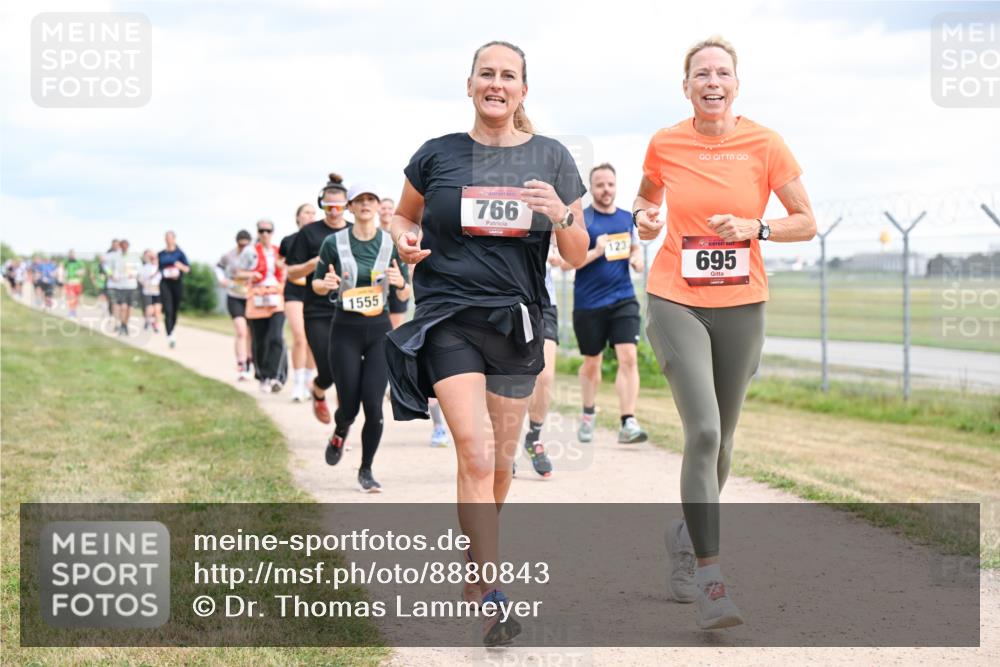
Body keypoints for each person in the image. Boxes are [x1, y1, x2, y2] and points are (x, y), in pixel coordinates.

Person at [387, 40, 589, 646]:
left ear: (524, 90)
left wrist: (560, 214)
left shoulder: (551, 158)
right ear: (469, 84)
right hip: (449, 316)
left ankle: (478, 557)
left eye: (509, 76)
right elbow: (403, 216)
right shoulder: (437, 155)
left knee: (500, 462)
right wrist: (403, 239)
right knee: (473, 451)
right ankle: (492, 587)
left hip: (517, 321)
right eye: (487, 74)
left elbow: (576, 254)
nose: (496, 83)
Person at [635, 36, 816, 630]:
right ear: (685, 86)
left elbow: (805, 222)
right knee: (705, 431)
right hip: (674, 296)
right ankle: (713, 582)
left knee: (726, 441)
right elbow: (645, 203)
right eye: (701, 74)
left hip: (743, 303)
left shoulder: (766, 143)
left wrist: (755, 227)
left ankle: (685, 538)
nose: (712, 82)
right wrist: (646, 217)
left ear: (737, 83)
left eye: (723, 73)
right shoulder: (665, 142)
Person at [313, 183, 410, 493]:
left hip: (378, 328)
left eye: (371, 199)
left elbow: (406, 291)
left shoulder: (389, 244)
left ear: (378, 206)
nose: (366, 204)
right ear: (350, 208)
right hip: (344, 329)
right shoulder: (333, 242)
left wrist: (398, 283)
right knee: (350, 406)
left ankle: (366, 470)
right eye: (360, 200)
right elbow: (316, 284)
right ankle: (341, 430)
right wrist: (325, 283)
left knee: (373, 404)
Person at [567, 163, 648, 445]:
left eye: (611, 184)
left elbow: (633, 246)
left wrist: (637, 258)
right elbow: (569, 263)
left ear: (616, 186)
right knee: (592, 363)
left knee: (629, 356)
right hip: (588, 304)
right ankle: (588, 413)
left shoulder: (627, 218)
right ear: (592, 188)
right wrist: (597, 250)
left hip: (623, 298)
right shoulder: (583, 221)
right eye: (600, 185)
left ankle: (628, 421)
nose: (606, 190)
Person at [383, 195, 449, 447]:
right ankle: (439, 426)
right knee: (434, 375)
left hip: (459, 309)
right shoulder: (407, 238)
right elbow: (408, 282)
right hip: (428, 309)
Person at [286, 173, 352, 423]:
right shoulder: (309, 233)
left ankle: (342, 427)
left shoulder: (354, 232)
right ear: (321, 205)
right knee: (328, 369)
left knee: (346, 370)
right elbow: (291, 272)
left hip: (350, 309)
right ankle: (318, 389)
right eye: (328, 207)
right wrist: (314, 264)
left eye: (339, 206)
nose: (334, 212)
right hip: (317, 311)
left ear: (347, 206)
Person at [516, 240, 562, 478]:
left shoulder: (545, 205)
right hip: (508, 299)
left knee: (545, 376)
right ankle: (505, 444)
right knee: (510, 379)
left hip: (545, 303)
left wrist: (557, 255)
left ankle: (533, 438)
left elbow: (568, 256)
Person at [238, 219, 287, 392]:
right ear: (258, 233)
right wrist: (252, 274)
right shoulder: (249, 252)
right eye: (262, 231)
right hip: (257, 297)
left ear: (273, 232)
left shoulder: (278, 251)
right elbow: (238, 273)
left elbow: (286, 270)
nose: (265, 234)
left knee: (276, 337)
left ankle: (276, 376)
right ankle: (263, 375)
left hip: (276, 297)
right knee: (260, 340)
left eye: (268, 230)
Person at [280, 204, 319, 402]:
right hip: (294, 292)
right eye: (306, 213)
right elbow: (280, 264)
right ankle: (296, 384)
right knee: (299, 337)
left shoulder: (321, 237)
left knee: (313, 340)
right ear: (298, 217)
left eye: (313, 213)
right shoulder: (288, 241)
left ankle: (308, 381)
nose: (310, 216)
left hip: (314, 293)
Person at [216, 230, 254, 381]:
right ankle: (241, 363)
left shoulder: (254, 255)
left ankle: (249, 361)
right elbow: (218, 267)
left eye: (246, 245)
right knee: (241, 331)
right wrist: (222, 280)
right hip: (234, 295)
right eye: (241, 244)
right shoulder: (229, 255)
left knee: (250, 332)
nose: (243, 247)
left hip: (250, 296)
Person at [157, 231, 191, 348]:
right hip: (165, 283)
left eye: (170, 238)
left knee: (175, 309)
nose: (168, 240)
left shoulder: (180, 253)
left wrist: (180, 267)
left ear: (174, 239)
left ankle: (172, 328)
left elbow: (188, 269)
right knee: (168, 309)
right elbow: (157, 269)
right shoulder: (161, 254)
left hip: (177, 283)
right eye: (166, 238)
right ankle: (170, 334)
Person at [104, 239, 141, 335]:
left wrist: (134, 274)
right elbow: (106, 266)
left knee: (130, 308)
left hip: (131, 285)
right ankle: (120, 325)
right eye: (122, 246)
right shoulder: (114, 256)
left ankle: (125, 324)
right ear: (120, 246)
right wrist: (111, 275)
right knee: (122, 307)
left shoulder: (134, 257)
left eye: (126, 246)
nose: (124, 248)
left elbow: (139, 269)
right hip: (120, 286)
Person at [138, 249, 162, 332]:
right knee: (150, 308)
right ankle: (147, 321)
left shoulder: (159, 267)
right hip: (148, 290)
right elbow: (141, 279)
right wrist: (146, 283)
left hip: (157, 290)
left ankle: (156, 325)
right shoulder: (145, 268)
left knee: (157, 309)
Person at [63, 250, 87, 318]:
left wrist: (80, 272)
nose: (71, 255)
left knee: (76, 298)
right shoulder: (66, 262)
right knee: (71, 296)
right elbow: (63, 269)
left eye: (72, 254)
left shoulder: (79, 262)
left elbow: (83, 270)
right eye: (70, 254)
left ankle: (74, 311)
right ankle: (71, 312)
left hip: (77, 282)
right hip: (69, 281)